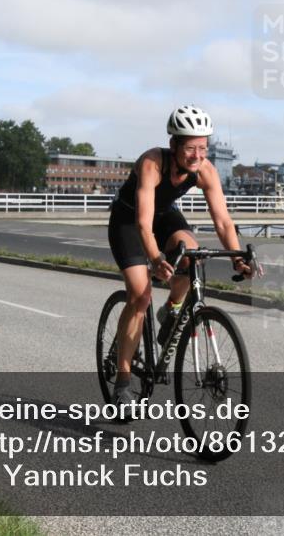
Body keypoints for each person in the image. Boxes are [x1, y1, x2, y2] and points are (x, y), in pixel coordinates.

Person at [107, 105, 257, 411]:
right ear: (174, 145)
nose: (197, 155)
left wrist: (237, 259)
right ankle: (122, 383)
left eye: (203, 147)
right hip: (129, 221)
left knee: (193, 257)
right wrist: (154, 257)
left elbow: (223, 222)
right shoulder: (152, 163)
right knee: (140, 294)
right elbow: (143, 224)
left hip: (165, 217)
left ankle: (173, 309)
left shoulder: (205, 170)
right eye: (190, 148)